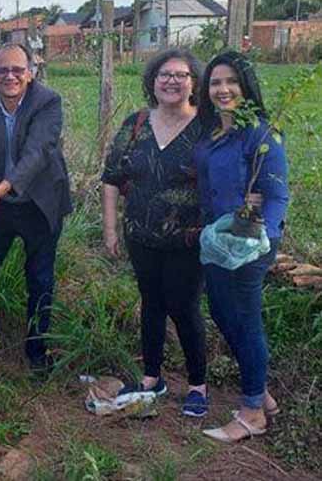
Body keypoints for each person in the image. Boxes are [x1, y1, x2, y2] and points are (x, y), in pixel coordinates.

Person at [101, 49, 209, 416]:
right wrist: (111, 229)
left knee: (184, 307)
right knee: (151, 303)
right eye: (165, 74)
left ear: (194, 83)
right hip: (140, 237)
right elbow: (112, 179)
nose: (172, 81)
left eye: (181, 75)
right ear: (153, 81)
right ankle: (151, 378)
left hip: (189, 240)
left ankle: (198, 385)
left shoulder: (206, 128)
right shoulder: (136, 124)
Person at [0, 43, 72, 371]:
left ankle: (37, 353)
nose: (10, 76)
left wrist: (4, 186)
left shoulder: (47, 101)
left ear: (30, 72)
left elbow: (38, 152)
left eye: (18, 70)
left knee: (39, 279)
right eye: (2, 70)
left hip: (39, 201)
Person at [196, 51, 289, 442]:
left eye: (231, 81)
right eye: (215, 83)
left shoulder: (263, 134)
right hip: (218, 239)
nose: (223, 89)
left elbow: (277, 195)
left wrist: (256, 230)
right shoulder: (212, 131)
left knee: (246, 319)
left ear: (246, 86)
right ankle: (262, 393)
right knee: (220, 311)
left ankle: (252, 412)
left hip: (249, 242)